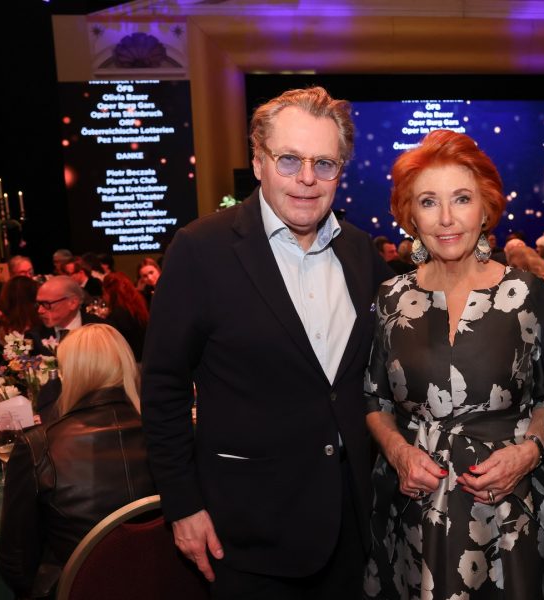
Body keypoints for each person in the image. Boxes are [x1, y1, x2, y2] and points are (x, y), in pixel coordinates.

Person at [141, 86, 392, 598]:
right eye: (289, 160)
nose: (306, 179)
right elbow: (163, 387)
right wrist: (183, 505)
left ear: (340, 172)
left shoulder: (361, 252)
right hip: (247, 530)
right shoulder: (200, 249)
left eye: (324, 163)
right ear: (258, 163)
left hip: (352, 521)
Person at [363, 129, 544, 599]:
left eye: (462, 199)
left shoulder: (527, 295)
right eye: (429, 202)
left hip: (509, 513)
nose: (447, 218)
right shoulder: (391, 297)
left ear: (486, 207)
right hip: (412, 512)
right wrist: (397, 453)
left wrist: (528, 452)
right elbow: (373, 397)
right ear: (410, 214)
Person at [0, 324, 156, 598]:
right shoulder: (167, 435)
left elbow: (17, 567)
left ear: (71, 373)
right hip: (162, 584)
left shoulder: (38, 446)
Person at [26, 276, 105, 356]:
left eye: (46, 304)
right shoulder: (34, 336)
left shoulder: (103, 331)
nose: (40, 310)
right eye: (38, 304)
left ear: (73, 303)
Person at [102, 271, 149, 361]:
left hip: (132, 361)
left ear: (109, 292)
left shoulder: (117, 315)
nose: (103, 297)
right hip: (144, 356)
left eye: (103, 292)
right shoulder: (138, 305)